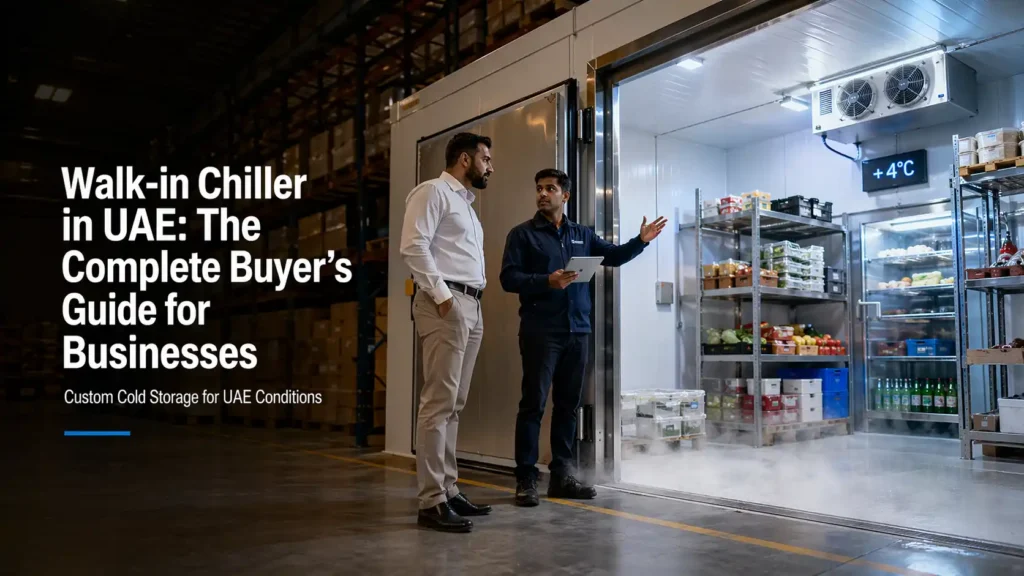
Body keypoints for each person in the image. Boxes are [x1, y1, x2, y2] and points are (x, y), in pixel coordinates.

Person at [500, 168, 666, 507]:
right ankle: (526, 479)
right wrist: (548, 280)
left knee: (568, 407)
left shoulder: (582, 234)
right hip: (540, 332)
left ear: (566, 196)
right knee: (532, 405)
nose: (542, 194)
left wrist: (641, 241)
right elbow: (508, 278)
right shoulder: (522, 235)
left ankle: (562, 476)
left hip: (578, 331)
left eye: (550, 188)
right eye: (539, 188)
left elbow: (614, 257)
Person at [399, 132, 494, 532]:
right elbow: (413, 245)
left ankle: (449, 489)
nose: (490, 166)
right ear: (464, 159)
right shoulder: (432, 191)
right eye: (485, 158)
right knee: (438, 404)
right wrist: (442, 299)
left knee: (455, 404)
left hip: (470, 305)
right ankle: (431, 501)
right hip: (447, 304)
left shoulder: (467, 205)